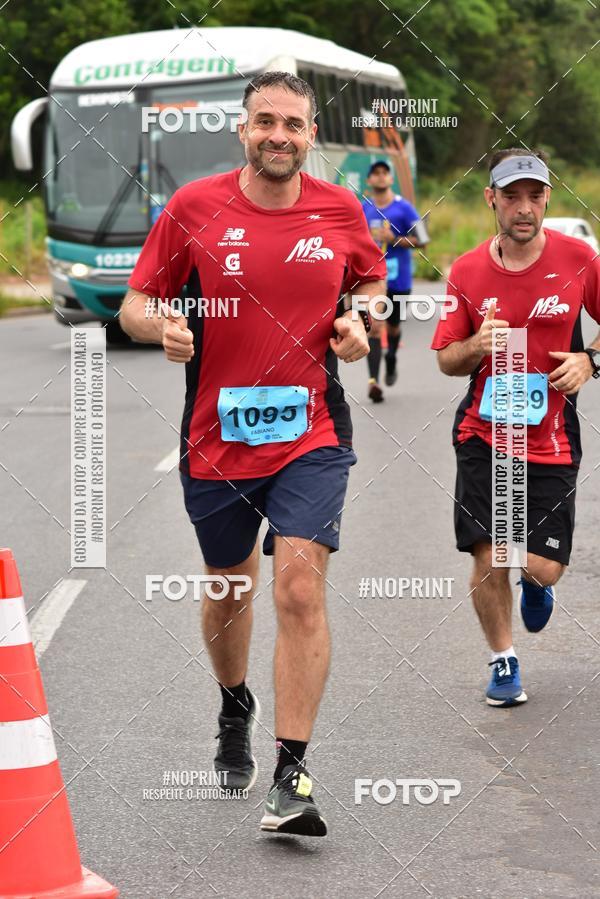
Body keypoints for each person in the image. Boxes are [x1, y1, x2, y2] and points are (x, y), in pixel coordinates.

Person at [120, 71, 385, 834]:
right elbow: (136, 303)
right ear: (243, 129)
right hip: (217, 438)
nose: (279, 135)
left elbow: (370, 280)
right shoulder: (193, 207)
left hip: (313, 432)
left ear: (310, 136)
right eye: (265, 120)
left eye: (293, 124)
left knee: (298, 587)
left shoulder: (339, 208)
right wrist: (162, 327)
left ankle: (291, 774)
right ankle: (234, 702)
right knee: (230, 589)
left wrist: (361, 320)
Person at [431, 148, 600, 707]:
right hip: (486, 433)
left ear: (548, 197)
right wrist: (475, 345)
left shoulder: (580, 258)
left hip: (551, 436)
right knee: (491, 552)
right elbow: (446, 358)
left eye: (534, 195)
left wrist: (590, 360)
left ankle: (535, 583)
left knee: (542, 567)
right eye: (511, 196)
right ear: (491, 200)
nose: (524, 208)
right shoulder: (467, 270)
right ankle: (503, 660)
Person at [361, 160, 429, 402]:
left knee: (393, 327)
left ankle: (390, 358)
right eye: (375, 173)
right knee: (374, 327)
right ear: (369, 180)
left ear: (391, 179)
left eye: (385, 173)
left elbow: (423, 240)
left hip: (399, 279)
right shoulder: (363, 208)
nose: (380, 177)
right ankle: (374, 382)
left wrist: (395, 239)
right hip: (373, 279)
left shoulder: (404, 208)